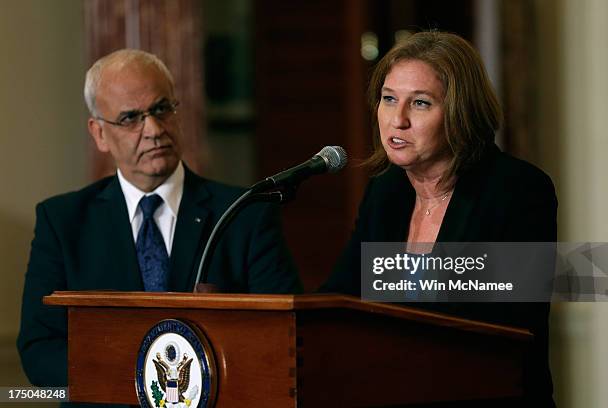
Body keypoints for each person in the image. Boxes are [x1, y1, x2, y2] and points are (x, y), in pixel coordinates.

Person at [17, 49, 302, 393]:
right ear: (99, 134)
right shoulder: (62, 222)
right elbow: (39, 350)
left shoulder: (245, 213)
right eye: (130, 118)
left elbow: (287, 335)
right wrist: (143, 382)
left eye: (161, 109)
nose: (153, 129)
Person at [321, 31, 557, 406]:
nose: (397, 120)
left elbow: (508, 325)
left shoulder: (516, 189)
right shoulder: (386, 194)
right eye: (388, 99)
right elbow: (340, 299)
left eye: (420, 103)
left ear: (461, 111)